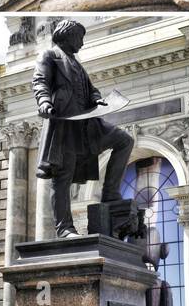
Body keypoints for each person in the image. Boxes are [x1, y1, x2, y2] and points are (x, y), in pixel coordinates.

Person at [32, 19, 134, 238]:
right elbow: (39, 81)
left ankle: (109, 193)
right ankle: (65, 228)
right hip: (65, 124)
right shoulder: (50, 56)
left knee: (124, 140)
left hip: (88, 125)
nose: (82, 43)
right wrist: (44, 102)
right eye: (80, 38)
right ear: (68, 36)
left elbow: (91, 89)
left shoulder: (77, 64)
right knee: (62, 177)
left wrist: (97, 100)